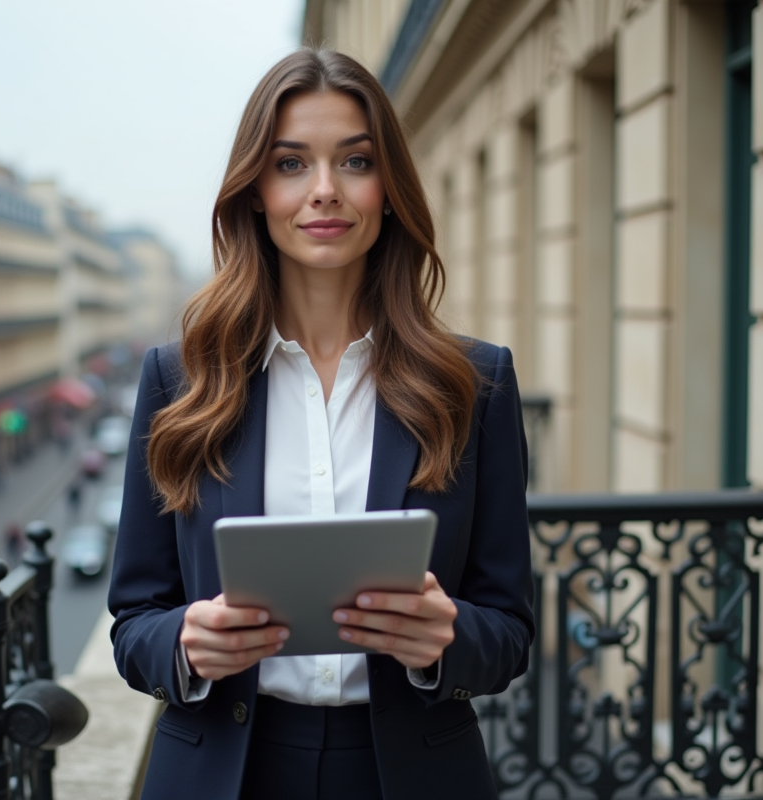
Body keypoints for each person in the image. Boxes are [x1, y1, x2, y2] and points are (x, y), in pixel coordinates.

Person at [107, 49, 534, 800]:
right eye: (293, 164)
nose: (325, 192)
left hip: (409, 773)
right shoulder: (179, 380)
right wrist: (184, 642)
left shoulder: (476, 382)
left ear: (390, 188)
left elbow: (509, 632)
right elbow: (133, 620)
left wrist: (445, 639)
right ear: (256, 190)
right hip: (223, 772)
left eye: (356, 161)